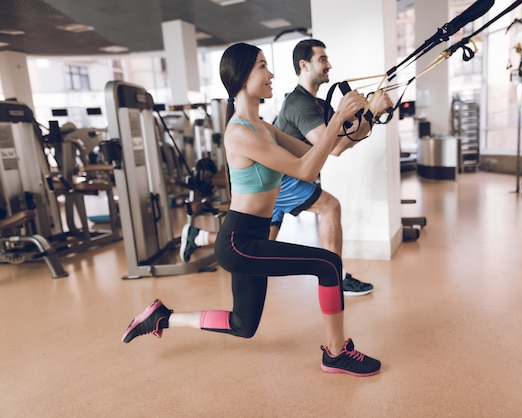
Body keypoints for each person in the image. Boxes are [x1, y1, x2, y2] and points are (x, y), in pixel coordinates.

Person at [123, 42, 381, 377]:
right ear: (242, 76)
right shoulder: (239, 133)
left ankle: (163, 317)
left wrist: (360, 120)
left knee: (243, 325)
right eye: (262, 66)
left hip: (252, 236)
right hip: (239, 241)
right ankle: (336, 352)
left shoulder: (263, 127)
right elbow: (304, 170)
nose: (271, 73)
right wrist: (338, 121)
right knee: (328, 265)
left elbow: (315, 155)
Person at [180, 39, 393, 297]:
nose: (329, 65)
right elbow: (326, 153)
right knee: (330, 207)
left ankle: (199, 236)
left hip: (278, 176)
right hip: (286, 175)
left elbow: (330, 146)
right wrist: (341, 118)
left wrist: (368, 114)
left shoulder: (304, 108)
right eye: (322, 59)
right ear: (304, 65)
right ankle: (339, 278)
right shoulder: (297, 104)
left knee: (261, 248)